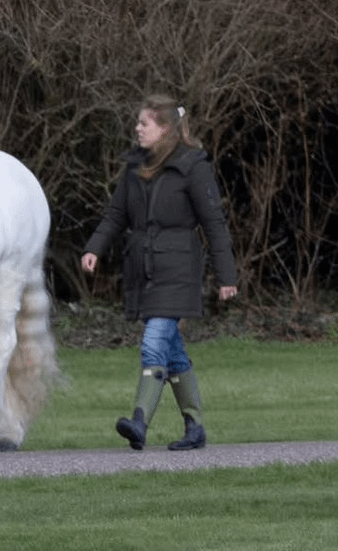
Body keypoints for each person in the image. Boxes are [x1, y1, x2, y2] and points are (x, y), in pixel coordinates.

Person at [81, 94, 238, 452]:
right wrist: (94, 247)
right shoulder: (134, 167)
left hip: (179, 269)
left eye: (144, 123)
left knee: (153, 342)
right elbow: (116, 214)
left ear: (165, 129)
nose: (137, 128)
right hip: (143, 270)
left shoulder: (193, 166)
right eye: (138, 123)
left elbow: (214, 223)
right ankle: (195, 427)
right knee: (173, 351)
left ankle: (139, 421)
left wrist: (226, 276)